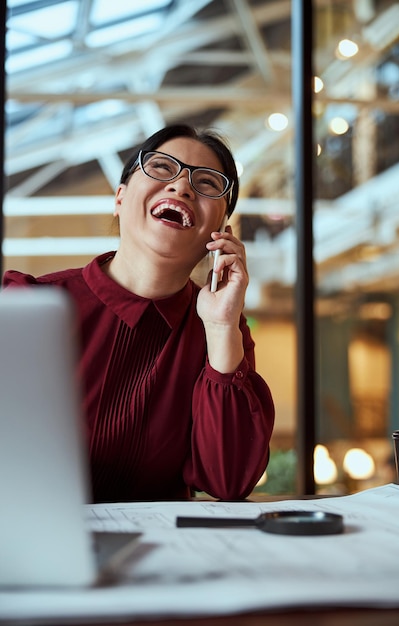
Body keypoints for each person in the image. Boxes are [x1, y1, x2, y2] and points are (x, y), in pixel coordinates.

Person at [3, 124, 275, 502]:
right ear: (119, 198)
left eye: (209, 184)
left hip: (161, 555)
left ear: (221, 230)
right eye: (162, 169)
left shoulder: (220, 332)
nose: (181, 187)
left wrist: (219, 325)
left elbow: (228, 482)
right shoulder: (28, 306)